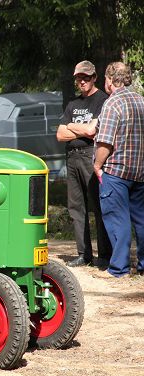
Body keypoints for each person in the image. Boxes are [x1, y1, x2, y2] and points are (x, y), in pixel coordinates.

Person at [56, 60, 112, 268]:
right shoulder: (73, 104)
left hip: (91, 156)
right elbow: (60, 135)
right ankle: (84, 254)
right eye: (79, 77)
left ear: (94, 78)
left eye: (86, 77)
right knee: (76, 207)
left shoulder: (102, 100)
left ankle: (105, 254)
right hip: (72, 157)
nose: (82, 81)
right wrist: (79, 127)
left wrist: (71, 125)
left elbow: (92, 131)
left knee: (99, 205)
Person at [94, 61, 144, 278]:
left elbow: (105, 143)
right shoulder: (141, 101)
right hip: (140, 173)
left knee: (117, 219)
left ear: (109, 79)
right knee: (142, 220)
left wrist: (97, 165)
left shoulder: (112, 104)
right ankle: (142, 266)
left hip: (116, 172)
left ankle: (118, 269)